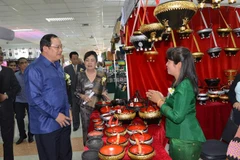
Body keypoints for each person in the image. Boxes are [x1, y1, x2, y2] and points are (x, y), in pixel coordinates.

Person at [146, 47, 206, 160]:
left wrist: (159, 102)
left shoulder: (184, 85)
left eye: (168, 61)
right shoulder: (176, 82)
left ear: (179, 65)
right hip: (178, 136)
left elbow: (177, 116)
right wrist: (161, 97)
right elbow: (172, 100)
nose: (166, 64)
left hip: (185, 138)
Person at [24, 34, 72, 160]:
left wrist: (69, 109)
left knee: (65, 156)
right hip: (46, 126)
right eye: (57, 47)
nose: (60, 50)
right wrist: (56, 115)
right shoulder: (34, 69)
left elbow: (63, 92)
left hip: (64, 121)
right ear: (45, 48)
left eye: (61, 47)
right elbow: (34, 99)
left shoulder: (58, 67)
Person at [75, 50, 110, 145]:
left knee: (100, 128)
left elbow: (104, 89)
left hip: (99, 107)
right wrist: (82, 96)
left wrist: (105, 93)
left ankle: (101, 148)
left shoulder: (102, 74)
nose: (89, 62)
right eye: (87, 60)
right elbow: (76, 92)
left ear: (96, 62)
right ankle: (87, 148)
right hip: (85, 108)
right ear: (84, 62)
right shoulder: (79, 75)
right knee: (86, 129)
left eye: (92, 60)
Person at [0, 47, 21, 160]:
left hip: (6, 110)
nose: (1, 56)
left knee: (8, 140)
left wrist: (6, 95)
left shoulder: (8, 71)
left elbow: (17, 87)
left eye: (1, 54)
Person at [64, 51, 85, 131]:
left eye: (76, 58)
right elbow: (65, 81)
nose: (75, 60)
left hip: (82, 93)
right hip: (72, 92)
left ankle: (85, 124)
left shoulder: (82, 67)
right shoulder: (66, 69)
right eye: (73, 59)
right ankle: (76, 125)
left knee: (83, 109)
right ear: (70, 59)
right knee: (75, 110)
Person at [15, 57, 34, 144]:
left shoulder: (32, 74)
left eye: (26, 62)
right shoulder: (15, 76)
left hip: (30, 100)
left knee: (32, 118)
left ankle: (31, 134)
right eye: (22, 63)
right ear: (19, 65)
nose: (24, 64)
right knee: (19, 118)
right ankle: (22, 135)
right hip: (18, 100)